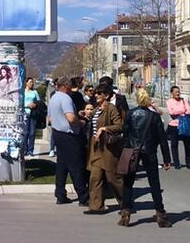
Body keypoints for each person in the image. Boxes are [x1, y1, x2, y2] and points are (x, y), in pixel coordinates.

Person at [119, 88, 172, 227]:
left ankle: (125, 213)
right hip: (149, 152)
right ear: (148, 99)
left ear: (137, 99)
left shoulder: (130, 114)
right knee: (154, 183)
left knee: (128, 183)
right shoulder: (154, 116)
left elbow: (125, 134)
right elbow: (162, 139)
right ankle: (160, 214)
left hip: (132, 151)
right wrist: (167, 159)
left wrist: (125, 151)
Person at [48, 78, 90, 206]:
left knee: (62, 165)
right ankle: (83, 197)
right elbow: (71, 119)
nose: (72, 89)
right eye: (70, 86)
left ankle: (60, 194)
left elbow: (50, 118)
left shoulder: (54, 98)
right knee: (76, 166)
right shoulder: (65, 98)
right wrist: (81, 122)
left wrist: (77, 114)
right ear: (65, 86)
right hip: (69, 135)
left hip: (57, 133)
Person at [84, 85, 124, 216]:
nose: (96, 95)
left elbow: (119, 126)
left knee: (113, 179)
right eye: (95, 93)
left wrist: (104, 129)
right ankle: (96, 206)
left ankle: (125, 203)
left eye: (99, 93)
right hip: (96, 149)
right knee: (95, 178)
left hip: (108, 150)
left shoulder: (110, 109)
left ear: (106, 96)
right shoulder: (96, 109)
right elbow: (93, 124)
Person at [165, 85, 190, 169]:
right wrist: (182, 111)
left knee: (188, 145)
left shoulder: (184, 100)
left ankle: (189, 163)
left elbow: (189, 111)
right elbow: (171, 112)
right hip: (174, 126)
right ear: (172, 93)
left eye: (178, 91)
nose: (178, 93)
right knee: (174, 145)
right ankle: (176, 164)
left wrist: (180, 112)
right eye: (176, 92)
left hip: (184, 125)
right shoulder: (169, 101)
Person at [23, 78, 41, 156]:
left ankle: (31, 150)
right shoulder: (23, 92)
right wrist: (27, 105)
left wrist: (35, 105)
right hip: (24, 113)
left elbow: (39, 102)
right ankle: (25, 149)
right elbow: (19, 102)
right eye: (30, 82)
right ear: (26, 83)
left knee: (32, 133)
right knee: (25, 133)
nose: (32, 84)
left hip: (33, 114)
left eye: (32, 82)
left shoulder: (35, 92)